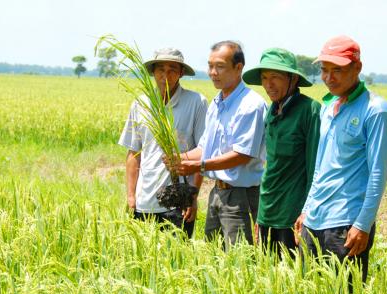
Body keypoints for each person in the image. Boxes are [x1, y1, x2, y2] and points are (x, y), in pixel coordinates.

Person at [295, 36, 387, 283]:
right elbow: (321, 164)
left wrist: (363, 224)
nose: (329, 78)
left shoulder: (376, 110)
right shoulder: (328, 108)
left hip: (345, 225)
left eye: (337, 70)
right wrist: (307, 209)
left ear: (357, 68)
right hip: (315, 219)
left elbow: (378, 173)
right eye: (324, 70)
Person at [171, 41, 267, 247]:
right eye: (210, 66)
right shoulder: (216, 104)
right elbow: (205, 148)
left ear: (239, 68)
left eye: (220, 66)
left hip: (240, 195)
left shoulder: (251, 105)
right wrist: (180, 159)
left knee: (240, 260)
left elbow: (242, 155)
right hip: (217, 193)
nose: (213, 72)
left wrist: (199, 166)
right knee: (215, 255)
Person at [118, 47, 207, 238]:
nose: (166, 75)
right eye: (161, 69)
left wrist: (193, 197)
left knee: (177, 260)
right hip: (145, 200)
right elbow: (134, 153)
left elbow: (203, 150)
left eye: (173, 69)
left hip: (179, 203)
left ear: (181, 73)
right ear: (153, 72)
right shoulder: (140, 104)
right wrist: (131, 196)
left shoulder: (196, 102)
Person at [241, 48, 320, 257]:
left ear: (293, 79)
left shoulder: (310, 111)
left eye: (275, 77)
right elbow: (271, 167)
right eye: (265, 78)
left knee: (294, 279)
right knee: (269, 276)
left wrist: (307, 211)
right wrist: (261, 216)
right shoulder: (271, 110)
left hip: (292, 216)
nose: (268, 84)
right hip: (268, 212)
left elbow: (315, 168)